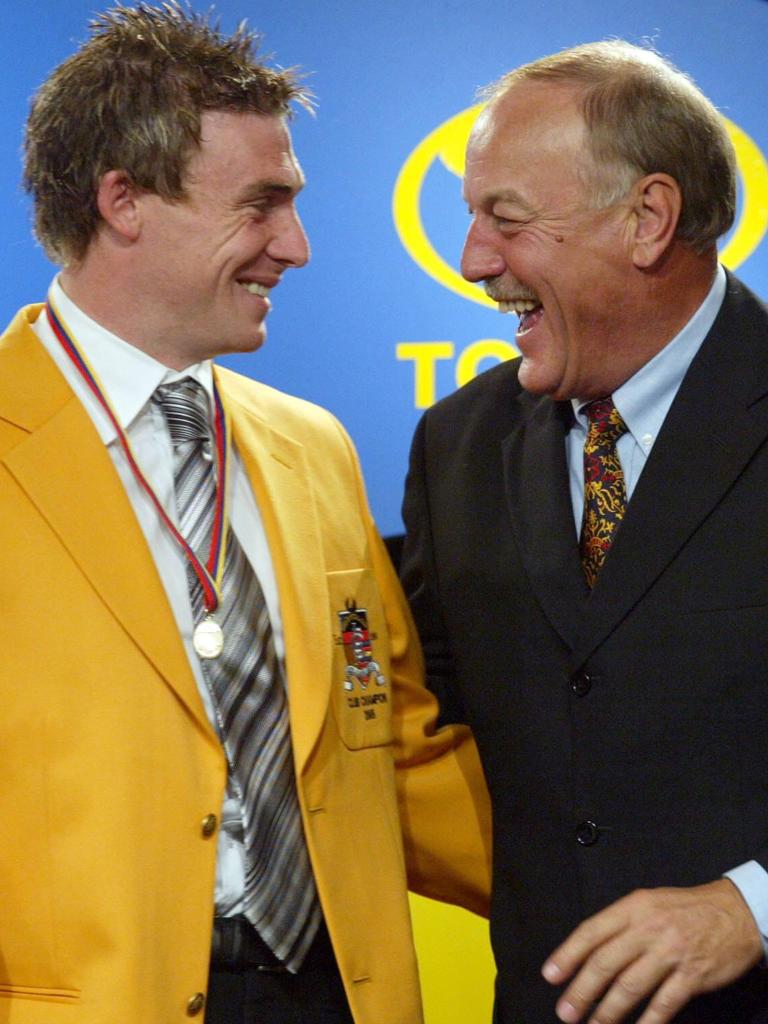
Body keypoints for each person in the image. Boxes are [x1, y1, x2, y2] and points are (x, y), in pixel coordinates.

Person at [0, 4, 492, 1023]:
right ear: (124, 200)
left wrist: (654, 881)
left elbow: (390, 743)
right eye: (261, 205)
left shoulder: (314, 446)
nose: (298, 247)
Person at [400, 38, 768, 1024]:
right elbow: (414, 710)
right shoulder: (456, 444)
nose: (475, 259)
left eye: (503, 218)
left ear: (647, 218)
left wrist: (756, 904)